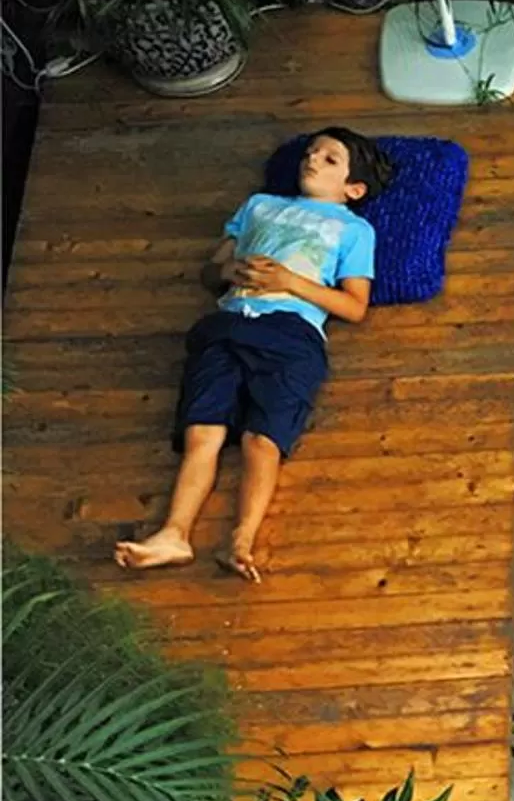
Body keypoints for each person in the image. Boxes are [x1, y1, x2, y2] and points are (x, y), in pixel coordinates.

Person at [115, 128, 387, 584]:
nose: (312, 160)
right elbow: (210, 272)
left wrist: (289, 282)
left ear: (354, 189)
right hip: (228, 322)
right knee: (202, 431)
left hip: (291, 333)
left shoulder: (354, 230)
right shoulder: (259, 205)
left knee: (262, 440)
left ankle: (240, 542)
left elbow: (355, 306)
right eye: (311, 152)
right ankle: (174, 534)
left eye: (330, 159)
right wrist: (230, 270)